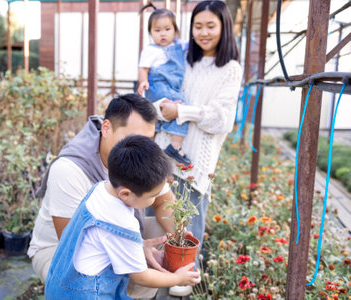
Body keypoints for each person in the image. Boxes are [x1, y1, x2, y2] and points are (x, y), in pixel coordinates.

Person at [28, 94, 175, 289]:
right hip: (58, 251)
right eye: (133, 139)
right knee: (129, 274)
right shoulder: (70, 168)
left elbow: (164, 201)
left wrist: (181, 239)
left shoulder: (142, 157)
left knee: (165, 237)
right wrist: (136, 250)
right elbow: (73, 243)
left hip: (113, 233)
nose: (141, 148)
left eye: (147, 140)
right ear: (106, 128)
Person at [152, 1, 242, 296]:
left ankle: (180, 290)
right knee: (155, 229)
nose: (203, 32)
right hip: (164, 156)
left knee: (187, 236)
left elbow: (221, 119)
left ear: (223, 28)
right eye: (198, 26)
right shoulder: (181, 59)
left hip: (196, 164)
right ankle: (154, 287)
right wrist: (161, 106)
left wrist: (181, 112)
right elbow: (159, 91)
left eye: (210, 26)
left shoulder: (229, 69)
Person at [45, 135, 200, 299]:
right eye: (153, 195)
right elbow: (141, 276)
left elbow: (106, 239)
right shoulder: (122, 224)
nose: (155, 200)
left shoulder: (100, 189)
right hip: (86, 293)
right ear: (126, 194)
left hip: (60, 281)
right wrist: (177, 278)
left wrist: (140, 246)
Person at [137, 6, 190, 165]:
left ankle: (148, 148)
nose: (163, 34)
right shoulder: (151, 50)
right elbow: (143, 68)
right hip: (157, 85)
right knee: (181, 107)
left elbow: (192, 46)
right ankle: (175, 145)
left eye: (167, 29)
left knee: (157, 118)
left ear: (175, 30)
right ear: (151, 33)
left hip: (171, 86)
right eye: (157, 30)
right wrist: (143, 81)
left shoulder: (179, 45)